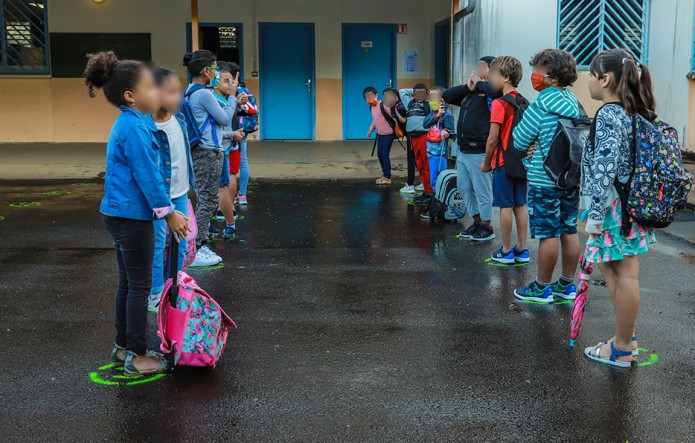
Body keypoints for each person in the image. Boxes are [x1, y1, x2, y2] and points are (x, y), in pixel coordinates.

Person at [84, 51, 189, 375]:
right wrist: (170, 212)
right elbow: (148, 176)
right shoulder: (135, 129)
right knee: (139, 286)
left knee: (130, 284)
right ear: (131, 96)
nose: (157, 92)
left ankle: (122, 348)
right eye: (150, 87)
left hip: (122, 214)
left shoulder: (133, 122)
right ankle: (137, 357)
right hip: (132, 217)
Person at [581, 49, 657, 367]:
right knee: (614, 271)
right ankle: (626, 337)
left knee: (624, 274)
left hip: (614, 209)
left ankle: (623, 347)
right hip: (628, 205)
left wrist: (595, 215)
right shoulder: (632, 112)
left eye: (591, 74)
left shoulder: (610, 114)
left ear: (605, 79)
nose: (588, 81)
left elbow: (605, 167)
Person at [511, 49, 581, 303]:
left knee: (547, 234)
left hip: (544, 179)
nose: (534, 75)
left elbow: (519, 140)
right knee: (569, 230)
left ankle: (542, 288)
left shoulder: (541, 105)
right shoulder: (573, 102)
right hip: (570, 178)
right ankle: (566, 285)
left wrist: (533, 145)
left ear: (551, 76)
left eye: (538, 70)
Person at [183, 50, 238, 267]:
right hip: (209, 152)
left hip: (200, 151)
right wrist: (232, 96)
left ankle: (196, 244)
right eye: (215, 68)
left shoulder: (189, 91)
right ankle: (196, 247)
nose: (217, 73)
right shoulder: (204, 94)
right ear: (206, 71)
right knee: (207, 200)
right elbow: (224, 118)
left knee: (205, 198)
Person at [148, 68, 196, 313]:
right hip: (159, 198)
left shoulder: (179, 118)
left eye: (180, 91)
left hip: (180, 193)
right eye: (172, 92)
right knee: (157, 245)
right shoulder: (147, 127)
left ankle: (172, 284)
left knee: (180, 241)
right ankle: (155, 293)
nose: (179, 97)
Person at [443, 57, 498, 241]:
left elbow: (495, 91)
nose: (476, 69)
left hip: (480, 150)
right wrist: (468, 87)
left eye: (481, 66)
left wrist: (480, 83)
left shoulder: (492, 91)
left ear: (492, 70)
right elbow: (448, 96)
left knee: (483, 190)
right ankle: (476, 222)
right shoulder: (472, 92)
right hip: (463, 149)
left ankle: (486, 226)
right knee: (464, 187)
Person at [481, 56, 530, 264]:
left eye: (494, 74)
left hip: (503, 162)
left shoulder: (500, 103)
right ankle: (522, 248)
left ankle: (506, 250)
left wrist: (486, 162)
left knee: (505, 206)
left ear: (506, 78)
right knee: (520, 204)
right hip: (520, 161)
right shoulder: (523, 101)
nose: (490, 78)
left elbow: (493, 138)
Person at [212, 61, 244, 240]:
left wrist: (237, 103)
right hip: (219, 150)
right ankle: (230, 224)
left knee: (214, 189)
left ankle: (209, 226)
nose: (231, 85)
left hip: (224, 147)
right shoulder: (213, 101)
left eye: (232, 82)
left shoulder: (222, 99)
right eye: (227, 81)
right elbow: (218, 127)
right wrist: (233, 135)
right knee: (222, 188)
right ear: (216, 82)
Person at [421, 86, 455, 210]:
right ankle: (437, 204)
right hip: (430, 151)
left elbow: (452, 132)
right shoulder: (433, 112)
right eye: (430, 97)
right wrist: (436, 115)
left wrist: (445, 131)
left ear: (442, 100)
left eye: (433, 97)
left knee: (437, 181)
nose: (430, 100)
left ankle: (440, 206)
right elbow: (425, 124)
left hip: (440, 154)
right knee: (433, 179)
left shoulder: (447, 115)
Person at [400, 83, 433, 203]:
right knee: (419, 164)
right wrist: (414, 91)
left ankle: (430, 190)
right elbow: (402, 91)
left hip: (424, 137)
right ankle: (426, 188)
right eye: (417, 93)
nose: (419, 95)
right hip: (412, 137)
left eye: (422, 93)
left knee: (426, 164)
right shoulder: (409, 102)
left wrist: (426, 92)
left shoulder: (429, 104)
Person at [235, 73, 259, 206]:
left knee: (228, 164)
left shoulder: (232, 93)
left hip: (232, 131)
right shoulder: (247, 92)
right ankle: (242, 195)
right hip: (244, 130)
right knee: (243, 161)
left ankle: (229, 196)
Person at [364, 86, 395, 185]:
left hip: (388, 134)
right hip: (380, 134)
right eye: (367, 97)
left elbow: (393, 116)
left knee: (384, 155)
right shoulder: (371, 107)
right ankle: (385, 175)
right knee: (379, 155)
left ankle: (387, 177)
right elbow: (375, 119)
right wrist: (370, 130)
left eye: (371, 95)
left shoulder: (384, 105)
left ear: (376, 95)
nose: (369, 98)